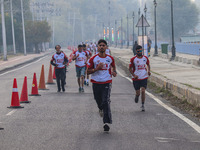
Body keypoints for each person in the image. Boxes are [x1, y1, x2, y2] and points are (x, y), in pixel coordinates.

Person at [87, 39, 117, 132]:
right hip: (96, 82)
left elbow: (113, 66)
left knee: (106, 101)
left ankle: (106, 123)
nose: (102, 47)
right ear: (97, 47)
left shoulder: (110, 58)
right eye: (100, 45)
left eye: (103, 45)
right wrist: (97, 69)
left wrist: (114, 72)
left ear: (106, 47)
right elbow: (88, 71)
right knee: (98, 100)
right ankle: (100, 108)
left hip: (106, 82)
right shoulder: (93, 59)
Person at [129, 45, 151, 112]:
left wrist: (149, 71)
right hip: (136, 78)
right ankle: (137, 96)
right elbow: (129, 68)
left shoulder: (145, 58)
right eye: (138, 51)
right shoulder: (133, 59)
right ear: (136, 51)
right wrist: (133, 75)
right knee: (138, 92)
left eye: (141, 50)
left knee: (143, 91)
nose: (140, 52)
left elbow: (148, 64)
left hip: (144, 77)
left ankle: (143, 104)